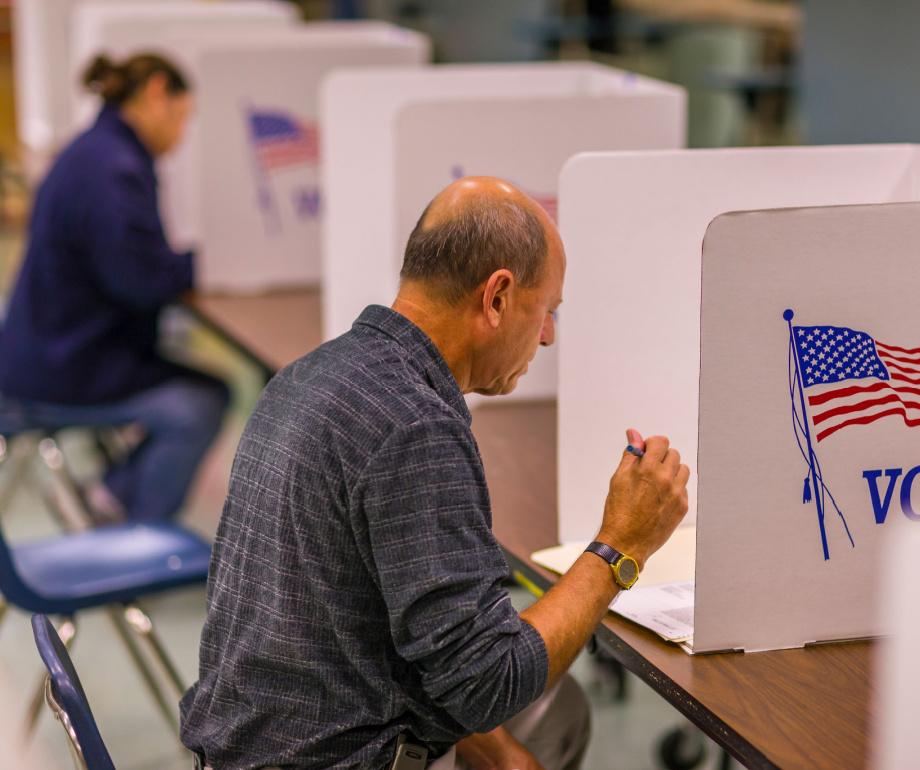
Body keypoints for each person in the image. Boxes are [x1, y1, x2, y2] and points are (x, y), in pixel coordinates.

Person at [180, 177, 690, 770]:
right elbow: (489, 682)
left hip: (250, 742)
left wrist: (497, 750)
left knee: (554, 710)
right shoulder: (416, 428)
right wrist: (621, 545)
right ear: (496, 297)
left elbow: (402, 633)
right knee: (550, 710)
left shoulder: (312, 374)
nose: (548, 336)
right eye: (546, 310)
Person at [0, 53, 228, 522]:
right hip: (60, 371)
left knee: (191, 378)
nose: (181, 137)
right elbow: (139, 281)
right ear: (156, 93)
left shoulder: (95, 150)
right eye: (182, 118)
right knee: (201, 402)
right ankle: (133, 529)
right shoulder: (113, 170)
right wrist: (209, 264)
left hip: (47, 351)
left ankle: (111, 495)